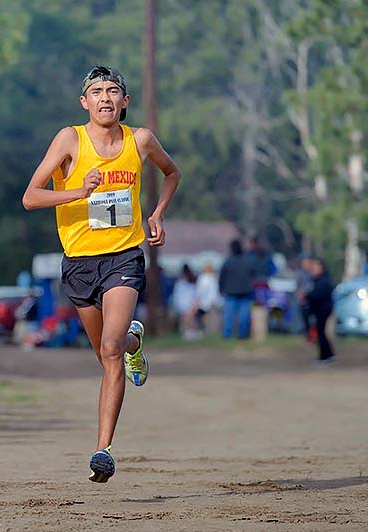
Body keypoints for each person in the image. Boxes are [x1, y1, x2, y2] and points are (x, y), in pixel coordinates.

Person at [21, 65, 181, 483]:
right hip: (79, 261)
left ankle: (103, 450)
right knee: (107, 351)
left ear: (125, 101)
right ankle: (134, 340)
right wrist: (79, 190)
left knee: (109, 351)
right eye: (96, 91)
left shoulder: (140, 139)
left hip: (124, 256)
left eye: (113, 91)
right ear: (84, 102)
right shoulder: (69, 139)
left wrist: (158, 214)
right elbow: (30, 197)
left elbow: (172, 172)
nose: (105, 97)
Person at [219, 239, 256, 339]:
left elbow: (222, 277)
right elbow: (253, 274)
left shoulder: (227, 262)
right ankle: (243, 335)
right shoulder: (248, 261)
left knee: (228, 317)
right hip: (245, 293)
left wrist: (221, 290)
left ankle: (227, 335)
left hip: (231, 293)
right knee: (244, 317)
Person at [305, 257, 335, 364]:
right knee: (319, 333)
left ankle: (326, 356)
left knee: (321, 333)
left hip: (322, 310)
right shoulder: (315, 280)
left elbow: (319, 295)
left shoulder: (324, 281)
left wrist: (307, 295)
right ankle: (326, 355)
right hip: (318, 310)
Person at [188, 263, 220, 335]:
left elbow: (201, 292)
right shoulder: (215, 277)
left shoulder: (203, 278)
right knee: (214, 319)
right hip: (215, 302)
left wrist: (196, 304)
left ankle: (201, 331)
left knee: (198, 317)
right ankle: (212, 332)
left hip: (205, 302)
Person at [171, 264, 198, 338]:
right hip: (188, 305)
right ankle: (189, 333)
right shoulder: (191, 282)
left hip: (185, 305)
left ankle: (190, 333)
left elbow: (177, 296)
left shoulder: (180, 283)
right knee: (188, 321)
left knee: (187, 320)